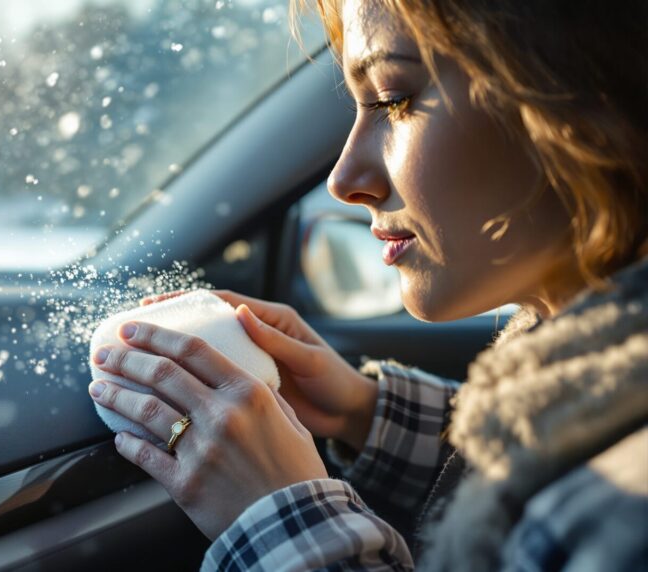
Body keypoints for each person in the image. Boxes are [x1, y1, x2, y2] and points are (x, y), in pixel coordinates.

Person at [86, 0, 647, 569]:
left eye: (393, 99)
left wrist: (284, 522)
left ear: (585, 94)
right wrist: (361, 413)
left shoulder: (623, 510)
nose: (343, 179)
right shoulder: (601, 408)